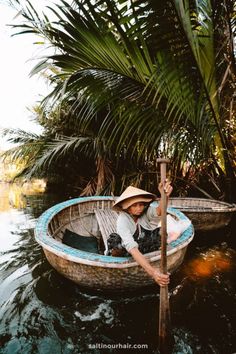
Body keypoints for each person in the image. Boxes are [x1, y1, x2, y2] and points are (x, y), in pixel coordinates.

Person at [111, 181, 173, 287]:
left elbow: (160, 211)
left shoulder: (145, 211)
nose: (139, 208)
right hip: (126, 250)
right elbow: (132, 248)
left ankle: (147, 257)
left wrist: (165, 196)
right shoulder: (123, 220)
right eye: (135, 205)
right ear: (127, 207)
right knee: (116, 241)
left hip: (140, 242)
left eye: (141, 205)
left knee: (160, 231)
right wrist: (153, 273)